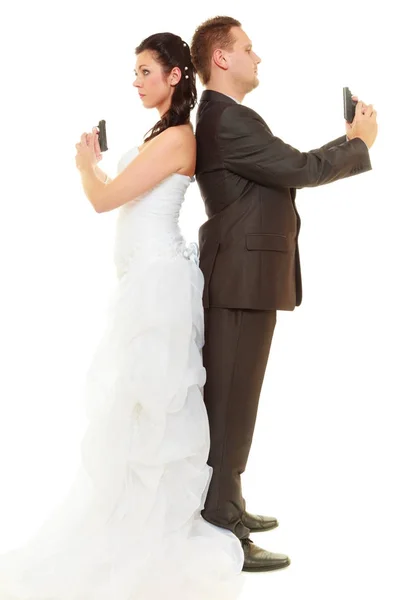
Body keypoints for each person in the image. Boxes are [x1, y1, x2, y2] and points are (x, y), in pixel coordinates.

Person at [0, 32, 245, 600]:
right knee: (133, 408)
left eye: (143, 71)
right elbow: (124, 196)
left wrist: (86, 166)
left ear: (176, 75)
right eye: (133, 72)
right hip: (144, 282)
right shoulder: (159, 134)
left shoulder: (180, 135)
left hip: (159, 285)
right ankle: (128, 519)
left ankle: (151, 530)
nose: (135, 81)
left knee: (153, 408)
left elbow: (103, 200)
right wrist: (102, 168)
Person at [190, 15, 378, 572]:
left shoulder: (227, 118)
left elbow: (286, 167)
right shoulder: (229, 119)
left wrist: (348, 141)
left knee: (235, 402)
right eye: (248, 48)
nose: (258, 57)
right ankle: (222, 528)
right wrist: (358, 144)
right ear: (221, 58)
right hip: (241, 279)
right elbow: (297, 168)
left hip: (245, 277)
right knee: (229, 406)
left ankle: (228, 501)